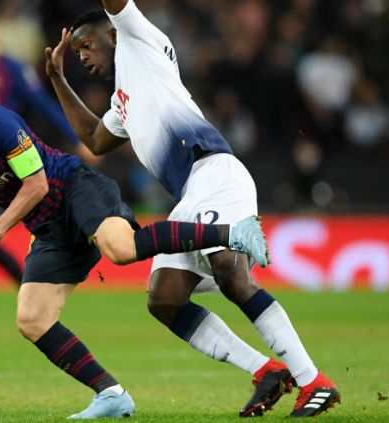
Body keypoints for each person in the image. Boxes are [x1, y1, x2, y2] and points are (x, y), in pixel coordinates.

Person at [0, 76, 268, 419]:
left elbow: (36, 184)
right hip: (49, 228)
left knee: (120, 249)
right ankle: (112, 394)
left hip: (75, 189)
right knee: (31, 318)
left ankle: (232, 233)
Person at [44, 0, 339, 418]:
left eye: (85, 47)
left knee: (230, 275)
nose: (83, 58)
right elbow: (93, 139)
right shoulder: (124, 101)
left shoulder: (137, 40)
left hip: (214, 171)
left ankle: (313, 381)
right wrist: (57, 78)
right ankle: (265, 371)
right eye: (77, 55)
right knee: (164, 299)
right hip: (190, 194)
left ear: (111, 33)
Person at [0, 4, 97, 338]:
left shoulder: (12, 69)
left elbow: (44, 105)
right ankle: (30, 291)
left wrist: (79, 138)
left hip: (11, 163)